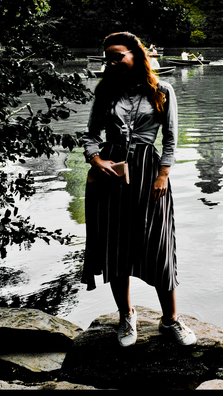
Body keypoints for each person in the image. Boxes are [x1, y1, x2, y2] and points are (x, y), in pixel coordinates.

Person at [81, 31, 197, 348]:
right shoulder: (105, 91)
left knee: (158, 248)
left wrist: (163, 175)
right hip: (112, 174)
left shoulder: (162, 90)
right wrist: (96, 160)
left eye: (118, 55)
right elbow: (90, 134)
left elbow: (171, 140)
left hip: (150, 172)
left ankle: (170, 320)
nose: (113, 61)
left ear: (136, 53)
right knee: (116, 247)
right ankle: (126, 315)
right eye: (108, 57)